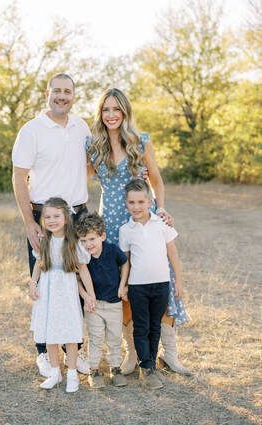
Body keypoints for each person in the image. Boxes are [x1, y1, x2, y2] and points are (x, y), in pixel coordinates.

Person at [86, 88, 189, 375]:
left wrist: (162, 209)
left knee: (160, 278)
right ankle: (132, 352)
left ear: (125, 112)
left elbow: (157, 180)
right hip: (114, 225)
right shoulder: (93, 146)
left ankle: (170, 353)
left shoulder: (140, 141)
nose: (111, 115)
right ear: (100, 113)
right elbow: (78, 179)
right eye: (106, 109)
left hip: (144, 217)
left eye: (116, 109)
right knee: (126, 286)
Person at [12, 73, 91, 377]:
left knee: (77, 283)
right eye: (56, 91)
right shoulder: (31, 130)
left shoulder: (81, 126)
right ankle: (45, 353)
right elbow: (19, 177)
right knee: (45, 284)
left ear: (74, 95)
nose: (62, 96)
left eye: (67, 91)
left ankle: (75, 352)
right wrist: (30, 222)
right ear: (47, 93)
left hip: (79, 214)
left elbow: (87, 165)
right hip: (44, 216)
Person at [119, 179, 183, 389]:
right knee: (142, 326)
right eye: (131, 202)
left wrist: (178, 283)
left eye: (140, 201)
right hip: (138, 286)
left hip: (162, 284)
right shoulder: (126, 230)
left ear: (149, 202)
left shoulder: (162, 224)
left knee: (155, 326)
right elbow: (126, 261)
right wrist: (124, 285)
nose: (136, 207)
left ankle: (151, 364)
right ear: (126, 203)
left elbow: (172, 253)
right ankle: (145, 367)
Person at [29, 198, 96, 392]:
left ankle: (72, 373)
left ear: (66, 218)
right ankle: (55, 372)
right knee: (50, 334)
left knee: (69, 332)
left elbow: (83, 270)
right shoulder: (44, 240)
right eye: (47, 216)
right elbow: (38, 265)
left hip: (66, 292)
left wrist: (89, 294)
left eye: (56, 216)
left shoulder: (73, 241)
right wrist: (33, 284)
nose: (52, 220)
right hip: (47, 293)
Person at [76, 213, 129, 389]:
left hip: (114, 303)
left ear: (102, 236)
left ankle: (115, 368)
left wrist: (123, 286)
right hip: (94, 305)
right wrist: (86, 296)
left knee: (115, 337)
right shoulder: (82, 256)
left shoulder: (112, 250)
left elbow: (125, 264)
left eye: (91, 239)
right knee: (96, 338)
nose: (87, 244)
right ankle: (95, 370)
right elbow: (76, 279)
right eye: (83, 240)